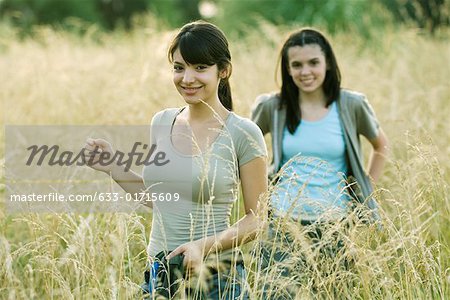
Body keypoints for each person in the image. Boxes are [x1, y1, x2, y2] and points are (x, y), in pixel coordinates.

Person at [84, 21, 268, 299]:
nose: (187, 78)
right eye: (179, 67)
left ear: (224, 70)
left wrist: (201, 247)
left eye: (200, 68)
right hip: (160, 272)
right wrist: (112, 166)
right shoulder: (162, 121)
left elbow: (257, 220)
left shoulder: (243, 133)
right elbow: (159, 197)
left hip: (216, 275)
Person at [251, 28, 388, 297]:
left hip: (335, 225)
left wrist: (364, 191)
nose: (306, 72)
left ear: (327, 63)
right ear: (288, 69)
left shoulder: (351, 104)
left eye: (313, 62)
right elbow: (245, 147)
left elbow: (381, 145)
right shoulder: (273, 107)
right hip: (282, 225)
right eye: (297, 65)